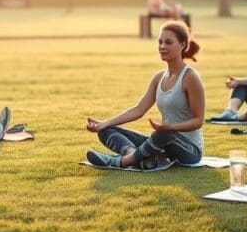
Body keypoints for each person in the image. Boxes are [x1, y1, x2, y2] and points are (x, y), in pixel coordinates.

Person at [85, 20, 205, 168]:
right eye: (160, 42)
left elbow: (199, 120)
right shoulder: (159, 77)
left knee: (163, 134)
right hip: (163, 144)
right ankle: (139, 157)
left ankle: (122, 161)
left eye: (168, 42)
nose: (162, 47)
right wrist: (103, 123)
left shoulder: (190, 78)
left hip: (190, 150)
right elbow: (138, 110)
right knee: (106, 131)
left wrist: (171, 127)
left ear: (182, 45)